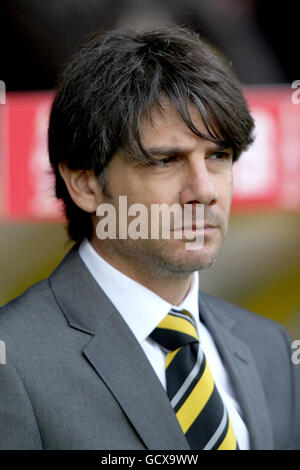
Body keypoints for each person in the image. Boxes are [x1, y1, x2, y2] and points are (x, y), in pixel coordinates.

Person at [0, 25, 299, 451]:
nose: (204, 189)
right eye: (166, 161)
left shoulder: (269, 346)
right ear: (85, 183)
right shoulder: (14, 359)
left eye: (219, 156)